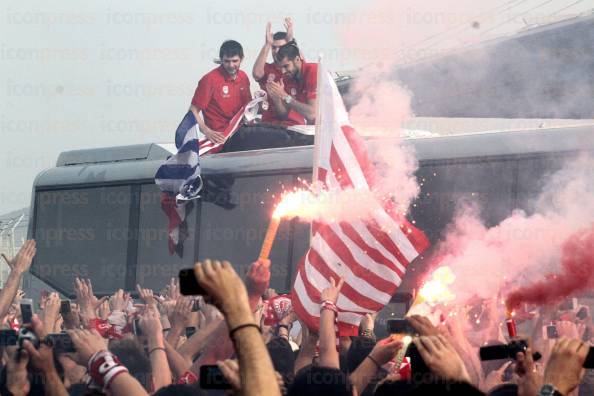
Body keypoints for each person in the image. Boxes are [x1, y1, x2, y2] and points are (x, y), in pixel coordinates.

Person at [190, 40, 252, 145]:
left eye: (235, 61)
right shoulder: (210, 80)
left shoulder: (243, 77)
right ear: (221, 60)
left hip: (241, 133)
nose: (231, 65)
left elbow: (248, 108)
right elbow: (192, 111)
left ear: (242, 59)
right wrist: (206, 131)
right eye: (227, 61)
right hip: (220, 139)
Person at [252, 18, 306, 126]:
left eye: (281, 47)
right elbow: (256, 74)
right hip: (269, 124)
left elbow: (304, 67)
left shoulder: (295, 69)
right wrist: (267, 44)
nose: (277, 51)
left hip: (294, 125)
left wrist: (292, 43)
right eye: (274, 47)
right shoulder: (268, 68)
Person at [266, 42, 317, 124]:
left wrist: (285, 96)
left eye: (286, 66)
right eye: (281, 67)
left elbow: (312, 114)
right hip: (315, 130)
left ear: (297, 59)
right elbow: (284, 115)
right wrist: (277, 99)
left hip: (334, 130)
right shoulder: (289, 77)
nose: (283, 71)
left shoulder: (314, 71)